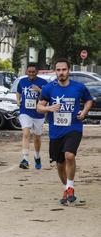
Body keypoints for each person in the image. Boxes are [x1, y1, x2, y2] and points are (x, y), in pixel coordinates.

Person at [37, 58, 93, 205]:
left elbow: (89, 100)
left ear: (69, 70)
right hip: (56, 131)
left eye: (64, 70)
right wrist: (49, 108)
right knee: (60, 163)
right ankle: (66, 188)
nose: (61, 73)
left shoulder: (78, 87)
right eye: (58, 70)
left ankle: (70, 188)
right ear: (55, 71)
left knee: (69, 155)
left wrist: (85, 111)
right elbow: (39, 107)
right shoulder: (49, 88)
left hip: (74, 127)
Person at [16, 63, 48, 169]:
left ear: (37, 72)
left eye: (33, 72)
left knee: (37, 137)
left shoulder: (43, 82)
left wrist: (39, 90)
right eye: (29, 72)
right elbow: (18, 92)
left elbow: (48, 96)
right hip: (25, 112)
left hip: (38, 113)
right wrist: (18, 100)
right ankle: (25, 159)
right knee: (26, 133)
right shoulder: (22, 81)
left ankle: (37, 156)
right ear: (26, 72)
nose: (31, 74)